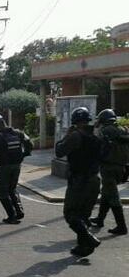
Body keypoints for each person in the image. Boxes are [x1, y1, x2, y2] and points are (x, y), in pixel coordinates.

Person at [55, 107, 103, 257]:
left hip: (79, 181)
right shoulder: (96, 135)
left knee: (70, 214)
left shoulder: (76, 135)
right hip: (94, 179)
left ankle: (89, 239)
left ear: (75, 121)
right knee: (83, 216)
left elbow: (59, 151)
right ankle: (83, 247)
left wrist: (65, 136)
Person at [0, 113, 33, 224]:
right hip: (17, 165)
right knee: (12, 188)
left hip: (4, 167)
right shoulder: (18, 133)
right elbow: (30, 144)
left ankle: (12, 216)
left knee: (2, 192)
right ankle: (19, 211)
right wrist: (24, 154)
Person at [90, 109, 129, 235]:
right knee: (107, 193)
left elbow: (97, 147)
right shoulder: (123, 130)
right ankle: (100, 219)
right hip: (121, 168)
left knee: (113, 196)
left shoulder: (105, 131)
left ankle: (121, 226)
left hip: (108, 168)